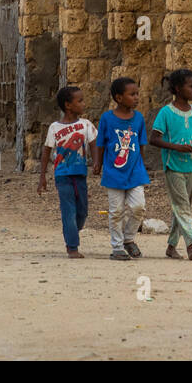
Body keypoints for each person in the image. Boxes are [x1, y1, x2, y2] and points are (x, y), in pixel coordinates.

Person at [150, 68, 192, 260]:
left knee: (181, 206)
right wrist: (175, 147)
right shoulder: (166, 112)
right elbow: (154, 139)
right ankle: (191, 243)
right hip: (173, 165)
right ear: (177, 88)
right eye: (191, 86)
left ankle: (171, 246)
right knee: (182, 206)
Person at [92, 77, 150, 261]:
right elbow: (101, 143)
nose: (136, 98)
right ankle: (117, 246)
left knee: (138, 206)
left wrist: (140, 164)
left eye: (137, 94)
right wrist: (98, 163)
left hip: (135, 171)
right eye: (132, 94)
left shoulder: (139, 118)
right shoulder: (107, 119)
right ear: (118, 97)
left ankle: (129, 239)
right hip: (114, 172)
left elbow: (141, 144)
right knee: (116, 211)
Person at [37, 85, 97, 259]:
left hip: (80, 174)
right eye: (80, 100)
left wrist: (96, 162)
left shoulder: (86, 125)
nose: (84, 104)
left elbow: (94, 144)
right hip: (62, 175)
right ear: (68, 105)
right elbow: (47, 150)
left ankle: (71, 231)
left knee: (82, 211)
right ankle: (72, 246)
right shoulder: (55, 128)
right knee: (68, 210)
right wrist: (42, 176)